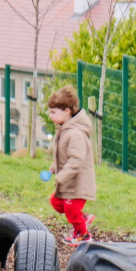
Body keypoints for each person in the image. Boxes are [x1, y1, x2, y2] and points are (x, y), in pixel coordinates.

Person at [46, 85, 95, 246]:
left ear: (66, 111)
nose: (50, 115)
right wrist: (55, 166)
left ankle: (83, 235)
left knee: (71, 210)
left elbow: (76, 161)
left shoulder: (75, 134)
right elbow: (63, 154)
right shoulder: (64, 130)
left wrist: (61, 176)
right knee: (56, 202)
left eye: (53, 112)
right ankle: (83, 219)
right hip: (68, 181)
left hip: (77, 183)